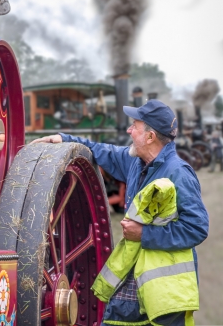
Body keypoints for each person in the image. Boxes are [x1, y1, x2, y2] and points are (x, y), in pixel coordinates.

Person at [31, 99, 209, 325]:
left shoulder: (179, 174)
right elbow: (103, 151)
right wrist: (64, 139)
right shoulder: (137, 162)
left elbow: (197, 228)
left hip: (165, 291)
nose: (129, 130)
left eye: (134, 125)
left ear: (150, 137)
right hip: (134, 277)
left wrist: (144, 234)